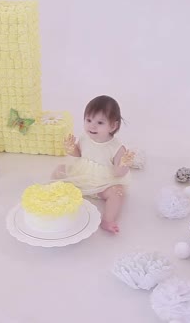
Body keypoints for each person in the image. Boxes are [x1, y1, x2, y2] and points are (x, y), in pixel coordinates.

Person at [52, 95, 135, 233]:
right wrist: (71, 147)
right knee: (60, 169)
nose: (92, 125)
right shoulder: (85, 138)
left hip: (102, 185)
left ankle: (108, 220)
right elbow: (79, 154)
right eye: (88, 120)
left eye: (100, 123)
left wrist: (124, 163)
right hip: (81, 176)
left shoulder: (116, 147)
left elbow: (117, 173)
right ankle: (56, 195)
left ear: (113, 126)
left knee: (117, 193)